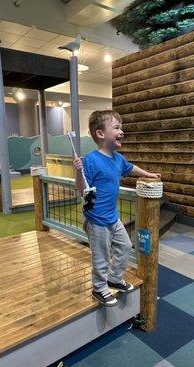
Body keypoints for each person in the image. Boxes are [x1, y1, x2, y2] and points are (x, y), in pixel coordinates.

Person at [73, 110, 161, 307]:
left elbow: (131, 168)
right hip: (96, 219)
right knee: (101, 255)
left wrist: (148, 173)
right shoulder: (90, 160)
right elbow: (82, 189)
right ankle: (99, 288)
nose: (122, 131)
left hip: (113, 217)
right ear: (100, 134)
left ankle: (114, 278)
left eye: (121, 127)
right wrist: (78, 173)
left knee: (125, 247)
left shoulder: (118, 158)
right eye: (116, 127)